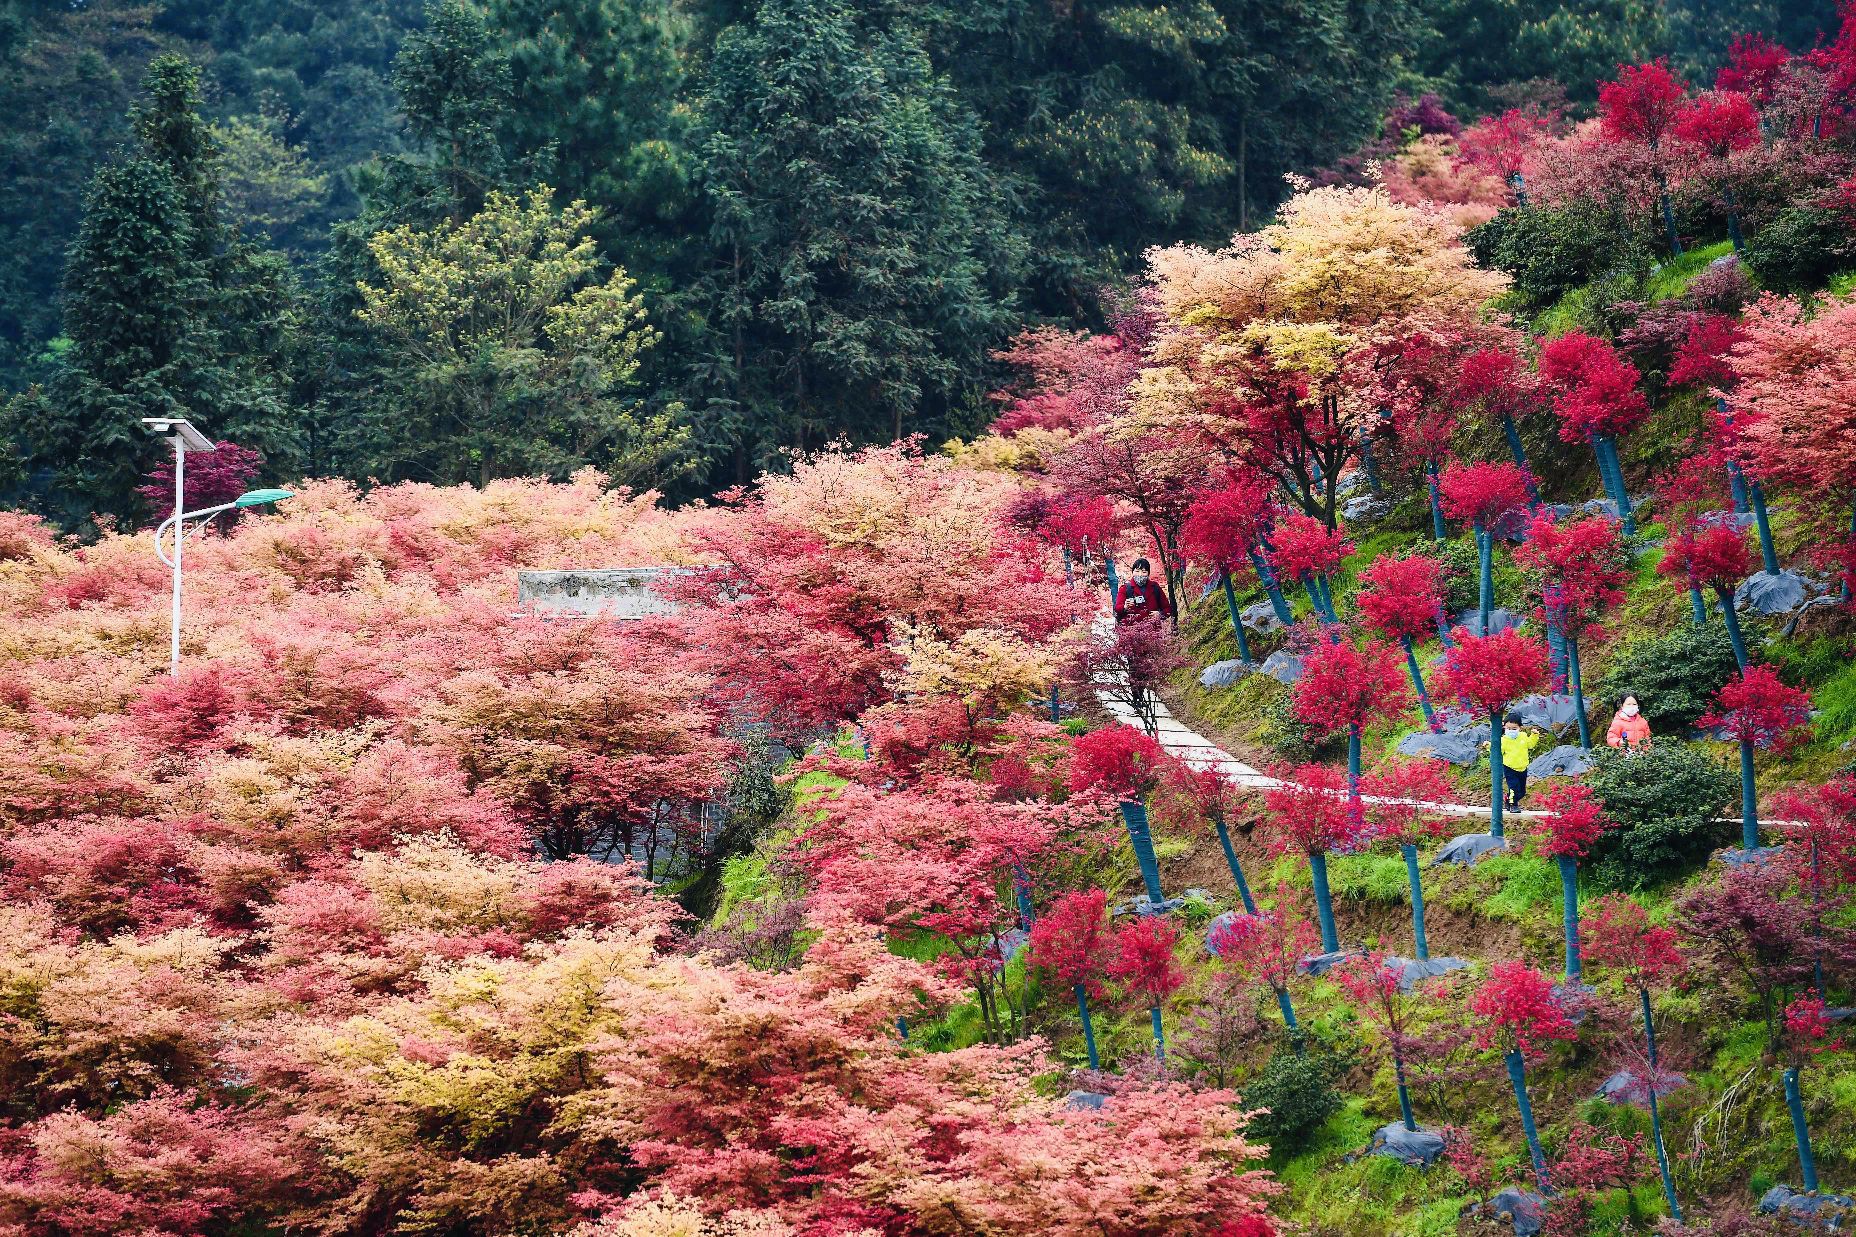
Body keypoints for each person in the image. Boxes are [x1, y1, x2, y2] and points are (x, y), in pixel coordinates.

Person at [1481, 713, 1542, 809]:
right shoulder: (1503, 740)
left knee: (1522, 792)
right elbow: (1497, 751)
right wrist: (1489, 746)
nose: (1511, 731)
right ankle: (1513, 805)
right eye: (1508, 728)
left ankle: (1508, 800)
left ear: (1520, 728)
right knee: (1514, 788)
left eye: (1514, 728)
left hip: (1522, 768)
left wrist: (1534, 735)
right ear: (1504, 727)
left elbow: (1530, 744)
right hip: (1509, 768)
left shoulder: (1523, 736)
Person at [1114, 558, 1174, 625]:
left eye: (1144, 572)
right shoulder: (1125, 588)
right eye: (1137, 571)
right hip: (1131, 630)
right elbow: (1117, 608)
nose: (1140, 574)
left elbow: (1167, 609)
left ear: (1148, 573)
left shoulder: (1155, 587)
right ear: (1132, 572)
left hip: (1153, 630)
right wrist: (1125, 606)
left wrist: (1160, 614)